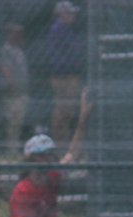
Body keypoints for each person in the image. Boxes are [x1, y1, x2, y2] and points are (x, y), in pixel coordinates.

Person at [44, 1, 84, 150]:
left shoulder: (67, 30)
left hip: (70, 74)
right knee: (62, 108)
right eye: (70, 13)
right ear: (62, 14)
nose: (73, 16)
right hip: (63, 76)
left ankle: (64, 142)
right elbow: (62, 56)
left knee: (68, 110)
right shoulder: (58, 29)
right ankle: (58, 142)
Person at [0, 23, 30, 156]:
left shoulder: (20, 51)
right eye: (16, 34)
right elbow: (4, 69)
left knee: (19, 122)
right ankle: (11, 149)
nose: (19, 37)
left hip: (22, 92)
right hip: (12, 93)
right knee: (12, 122)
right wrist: (12, 84)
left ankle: (15, 148)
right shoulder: (6, 50)